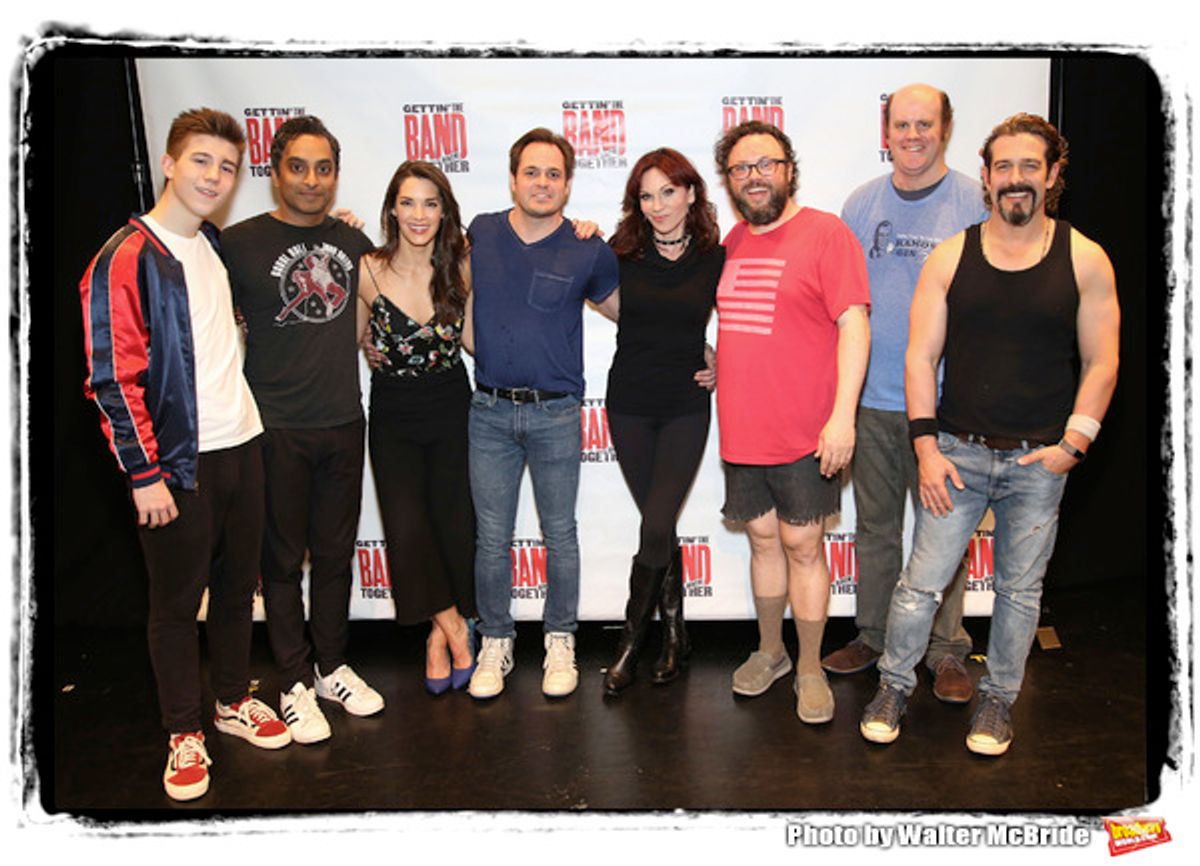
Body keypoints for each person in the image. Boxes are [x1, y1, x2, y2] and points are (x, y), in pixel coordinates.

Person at [859, 113, 1120, 756]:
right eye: (1004, 166)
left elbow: (1103, 360)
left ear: (1052, 175)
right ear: (986, 176)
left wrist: (1074, 445)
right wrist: (926, 447)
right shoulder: (952, 256)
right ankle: (893, 685)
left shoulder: (1085, 258)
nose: (1016, 178)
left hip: (1039, 464)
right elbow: (920, 357)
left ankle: (998, 700)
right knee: (919, 587)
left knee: (1019, 594)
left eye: (1030, 166)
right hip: (956, 457)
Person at [80, 107, 291, 801]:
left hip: (243, 443)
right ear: (169, 164)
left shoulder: (213, 245)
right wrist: (144, 474)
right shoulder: (125, 256)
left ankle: (230, 701)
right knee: (175, 605)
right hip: (177, 463)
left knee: (235, 591)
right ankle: (182, 731)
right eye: (201, 161)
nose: (214, 176)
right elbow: (112, 378)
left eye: (227, 167)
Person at [222, 116, 383, 746]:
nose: (311, 180)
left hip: (343, 420)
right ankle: (292, 681)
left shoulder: (355, 241)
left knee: (337, 556)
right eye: (298, 167)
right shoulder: (237, 244)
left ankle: (331, 667)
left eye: (323, 169)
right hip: (274, 428)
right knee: (282, 562)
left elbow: (382, 303)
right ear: (274, 172)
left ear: (335, 175)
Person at [824, 84, 988, 703]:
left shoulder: (975, 203)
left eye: (924, 124)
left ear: (945, 129)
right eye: (901, 125)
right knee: (876, 529)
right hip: (871, 400)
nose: (912, 135)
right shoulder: (860, 204)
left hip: (948, 410)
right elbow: (841, 308)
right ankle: (875, 634)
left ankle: (945, 650)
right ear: (885, 131)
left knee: (944, 535)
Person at [713, 120, 870, 724]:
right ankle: (770, 651)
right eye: (741, 168)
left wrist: (843, 418)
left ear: (788, 169)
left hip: (809, 429)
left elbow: (854, 326)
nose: (754, 176)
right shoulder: (732, 241)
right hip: (743, 427)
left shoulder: (826, 234)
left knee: (803, 545)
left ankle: (808, 666)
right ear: (730, 180)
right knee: (761, 540)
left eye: (766, 164)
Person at [466, 127, 619, 700]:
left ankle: (560, 639)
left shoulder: (588, 248)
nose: (542, 183)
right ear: (513, 179)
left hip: (556, 413)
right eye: (531, 172)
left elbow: (630, 311)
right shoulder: (481, 232)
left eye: (554, 174)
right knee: (490, 539)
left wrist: (691, 346)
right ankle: (495, 641)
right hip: (489, 412)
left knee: (561, 535)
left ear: (568, 184)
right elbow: (426, 270)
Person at [601, 148, 723, 695]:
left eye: (668, 192)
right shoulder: (620, 252)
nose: (658, 206)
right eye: (647, 196)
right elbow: (588, 283)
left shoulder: (715, 257)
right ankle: (675, 635)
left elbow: (750, 318)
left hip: (684, 406)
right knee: (661, 523)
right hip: (628, 403)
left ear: (691, 193)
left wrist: (720, 357)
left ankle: (629, 644)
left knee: (655, 524)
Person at [355, 161, 477, 695]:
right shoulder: (367, 268)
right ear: (392, 209)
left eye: (431, 203)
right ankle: (454, 627)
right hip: (394, 412)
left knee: (452, 524)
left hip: (451, 405)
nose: (419, 214)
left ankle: (435, 639)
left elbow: (472, 342)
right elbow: (350, 339)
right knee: (406, 528)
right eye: (408, 202)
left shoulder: (461, 268)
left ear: (445, 211)